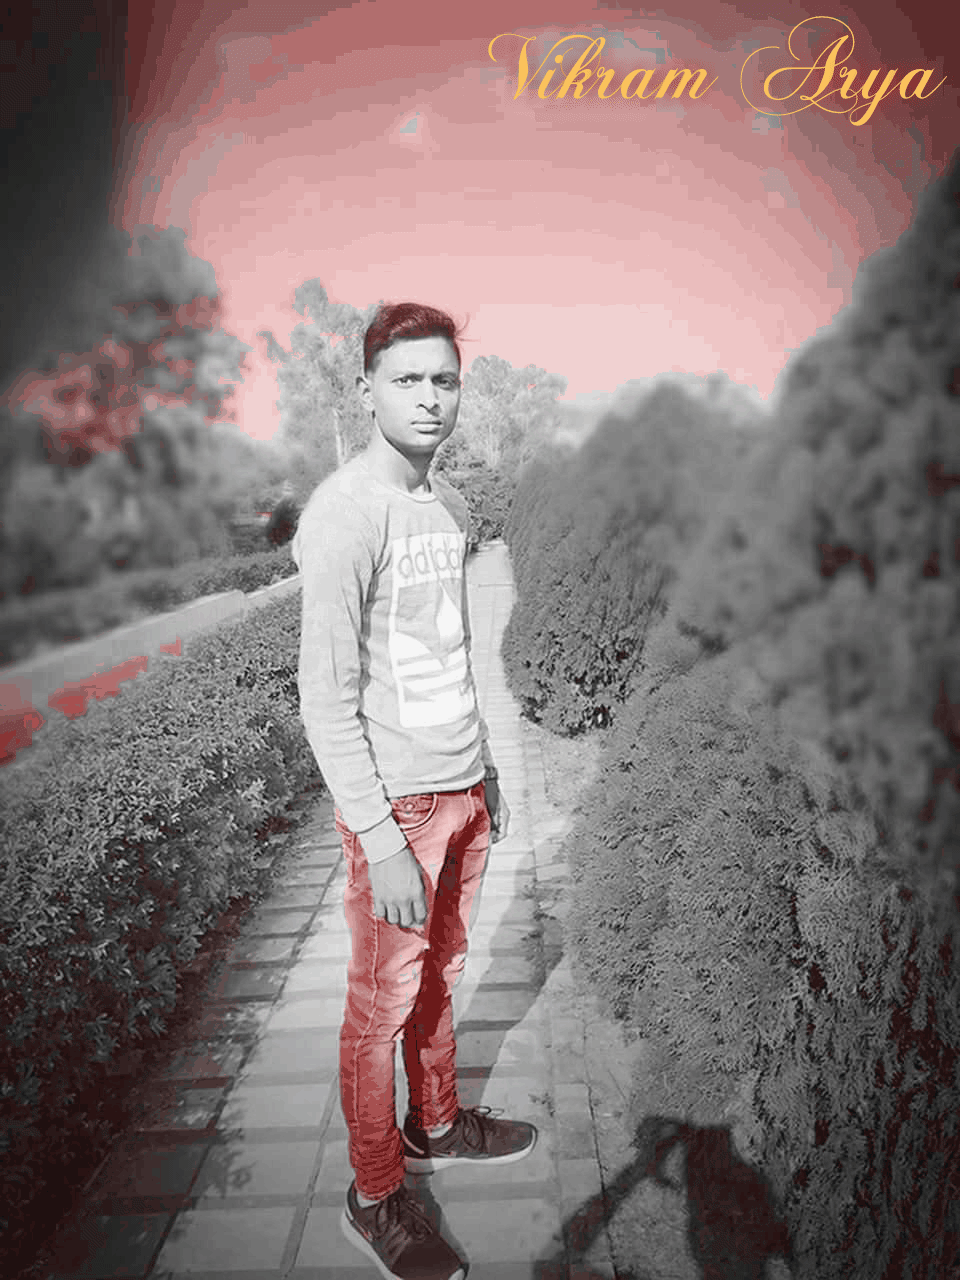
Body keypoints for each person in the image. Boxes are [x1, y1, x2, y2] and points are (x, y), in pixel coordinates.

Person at [291, 302, 537, 1280]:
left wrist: (487, 774)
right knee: (379, 1007)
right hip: (397, 810)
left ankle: (435, 1124)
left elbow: (452, 654)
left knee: (442, 974)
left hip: (461, 792)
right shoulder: (345, 515)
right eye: (407, 380)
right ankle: (375, 1189)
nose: (430, 397)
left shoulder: (452, 506)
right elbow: (325, 697)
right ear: (368, 392)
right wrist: (380, 837)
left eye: (444, 379)